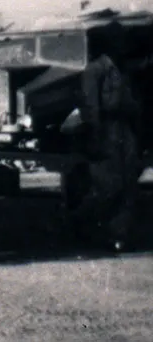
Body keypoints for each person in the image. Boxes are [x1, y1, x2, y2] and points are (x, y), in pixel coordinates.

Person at [62, 23, 142, 252]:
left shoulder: (121, 69)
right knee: (109, 186)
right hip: (106, 130)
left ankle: (119, 235)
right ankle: (78, 220)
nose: (122, 44)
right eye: (118, 40)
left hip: (124, 130)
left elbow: (131, 101)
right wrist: (95, 135)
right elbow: (91, 106)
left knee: (128, 185)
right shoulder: (95, 70)